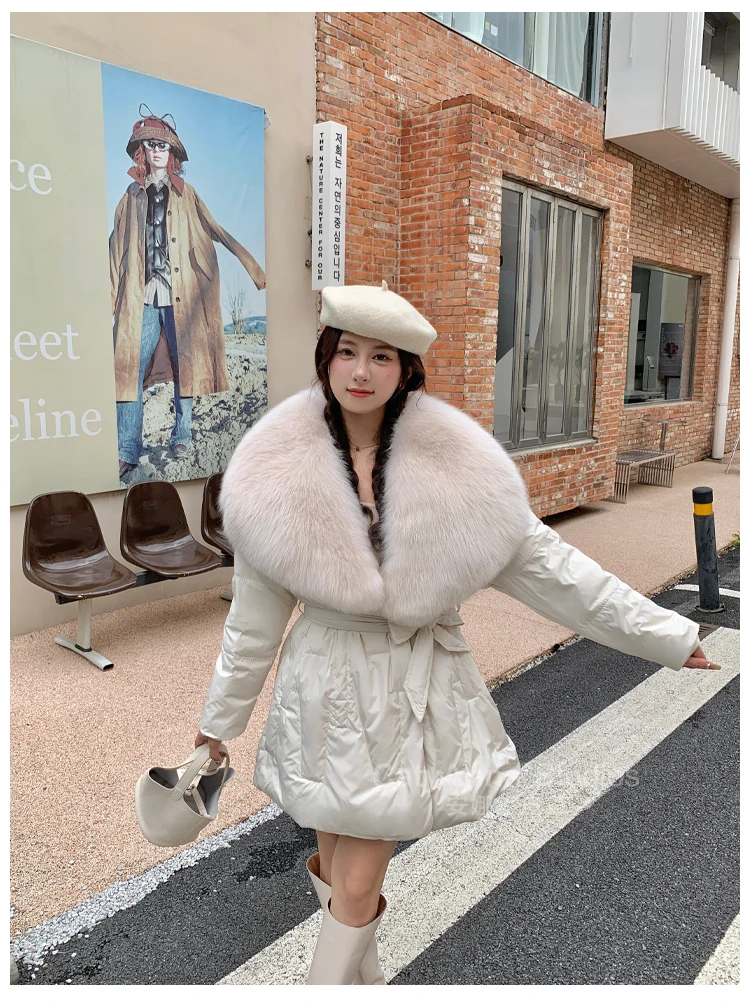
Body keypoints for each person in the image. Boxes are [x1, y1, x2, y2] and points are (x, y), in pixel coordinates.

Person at [194, 281, 718, 985]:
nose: (360, 371)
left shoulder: (460, 469)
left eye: (381, 357)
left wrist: (666, 635)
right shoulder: (274, 467)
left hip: (407, 692)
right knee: (334, 863)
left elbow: (556, 571)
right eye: (347, 352)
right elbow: (253, 618)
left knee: (355, 882)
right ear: (325, 357)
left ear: (406, 370)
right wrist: (218, 720)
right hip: (320, 686)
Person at [109, 107, 266, 480]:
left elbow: (216, 228)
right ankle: (127, 449)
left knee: (186, 366)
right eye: (151, 144)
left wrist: (254, 269)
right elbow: (115, 249)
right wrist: (107, 298)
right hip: (142, 296)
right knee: (127, 368)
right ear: (141, 152)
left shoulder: (187, 194)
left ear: (172, 153)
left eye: (163, 145)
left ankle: (182, 435)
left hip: (181, 295)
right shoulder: (130, 196)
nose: (157, 150)